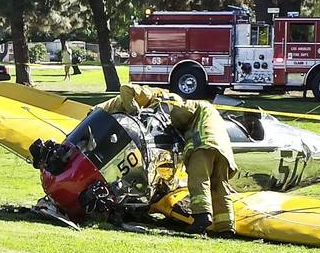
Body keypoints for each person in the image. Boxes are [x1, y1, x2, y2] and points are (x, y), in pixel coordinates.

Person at [102, 83, 237, 234]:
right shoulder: (211, 111)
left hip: (203, 146)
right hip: (223, 151)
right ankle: (226, 226)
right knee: (220, 185)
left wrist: (172, 124)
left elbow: (180, 116)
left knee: (199, 180)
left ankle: (202, 218)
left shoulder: (192, 104)